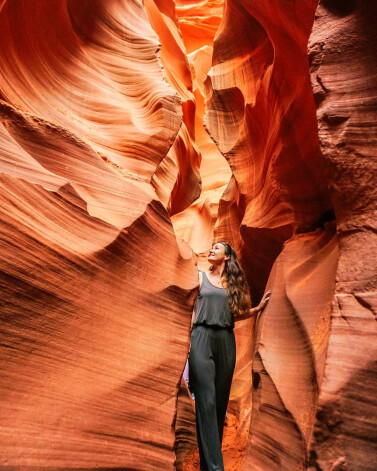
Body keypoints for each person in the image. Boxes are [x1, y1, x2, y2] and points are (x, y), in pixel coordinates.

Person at [188, 241, 270, 471]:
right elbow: (189, 308)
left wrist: (256, 309)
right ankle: (216, 468)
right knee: (207, 400)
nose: (212, 250)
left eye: (217, 248)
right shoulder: (199, 275)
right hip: (201, 338)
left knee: (219, 402)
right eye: (211, 247)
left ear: (227, 257)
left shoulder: (233, 285)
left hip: (226, 340)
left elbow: (235, 314)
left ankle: (208, 465)